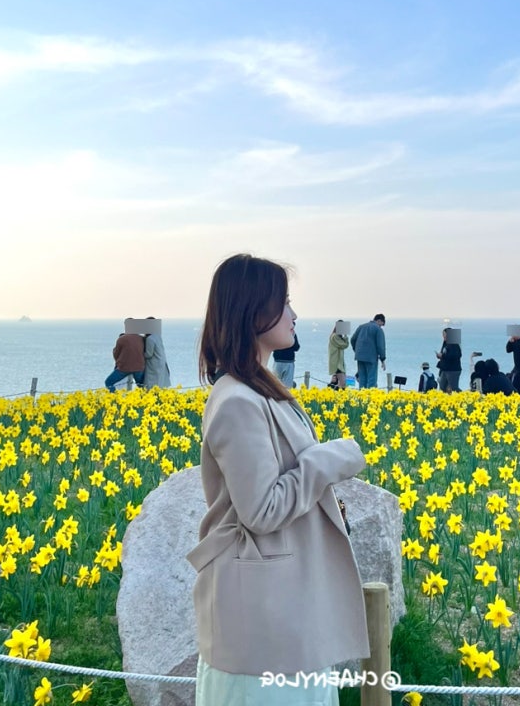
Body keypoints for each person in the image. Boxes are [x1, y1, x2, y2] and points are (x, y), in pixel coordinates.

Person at [188, 254, 369, 705]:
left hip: (287, 608)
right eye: (284, 302)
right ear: (253, 311)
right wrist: (333, 458)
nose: (293, 314)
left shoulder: (258, 387)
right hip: (265, 620)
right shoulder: (236, 400)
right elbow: (261, 509)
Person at [350, 315, 386, 389]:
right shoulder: (378, 330)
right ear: (379, 320)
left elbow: (353, 339)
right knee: (371, 380)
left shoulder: (361, 327)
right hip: (371, 358)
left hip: (359, 357)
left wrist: (357, 350)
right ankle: (370, 398)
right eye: (381, 324)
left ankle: (361, 398)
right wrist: (382, 359)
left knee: (362, 379)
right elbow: (380, 346)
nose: (381, 326)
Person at [144, 317, 171, 389]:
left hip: (154, 365)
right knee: (161, 384)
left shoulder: (150, 339)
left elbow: (149, 354)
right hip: (161, 363)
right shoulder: (158, 336)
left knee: (152, 386)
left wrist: (139, 354)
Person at [328, 321, 349, 390]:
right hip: (337, 363)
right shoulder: (334, 337)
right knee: (343, 383)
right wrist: (346, 336)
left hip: (339, 363)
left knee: (341, 383)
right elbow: (345, 345)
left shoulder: (337, 337)